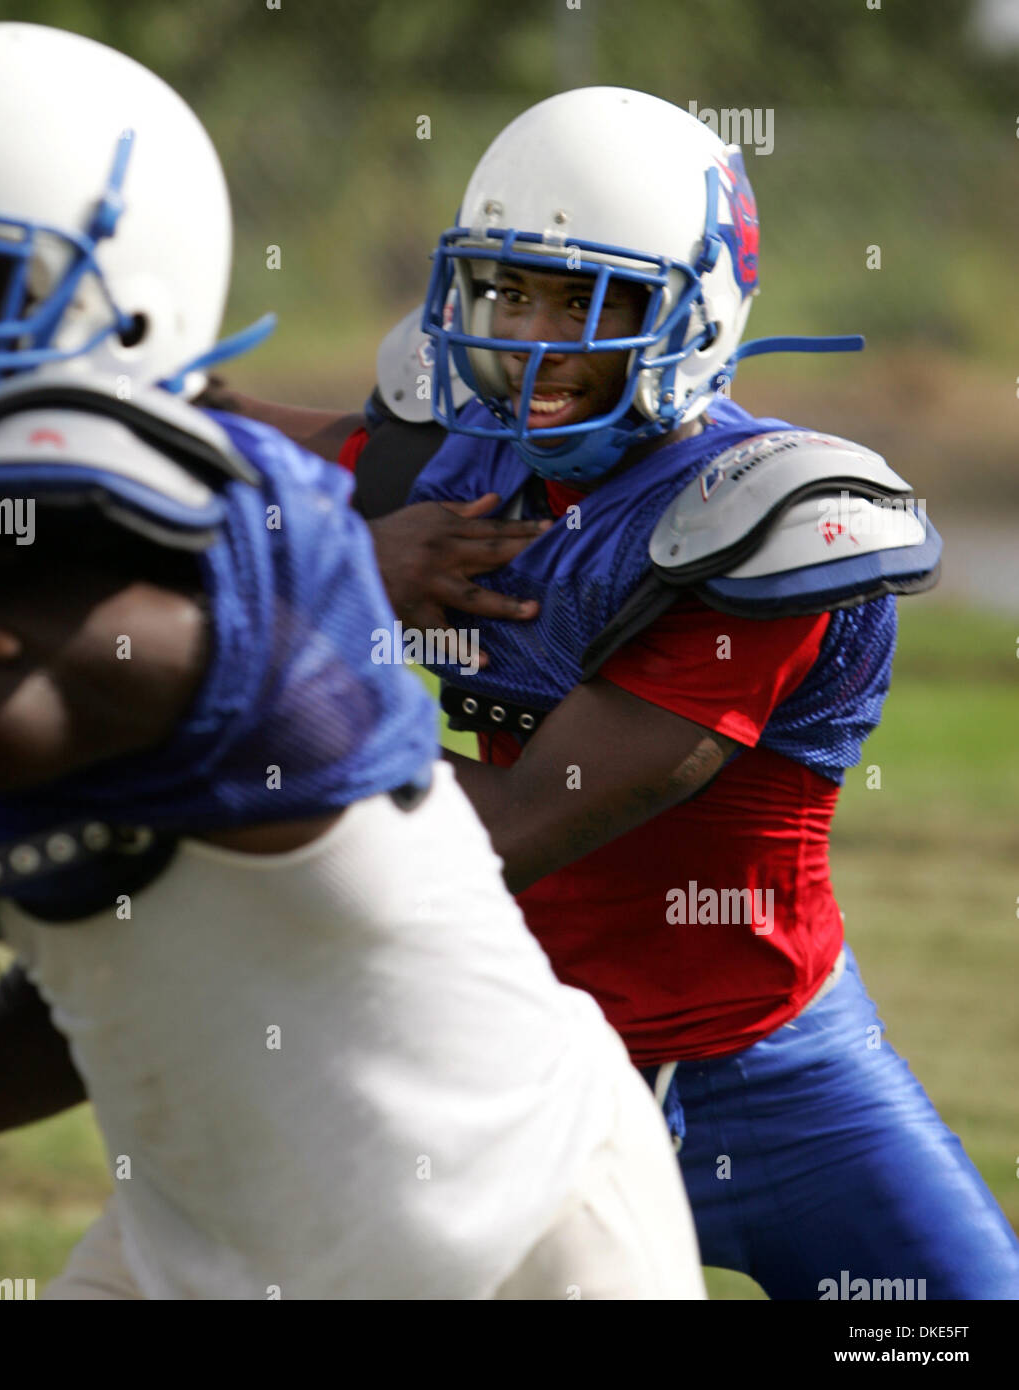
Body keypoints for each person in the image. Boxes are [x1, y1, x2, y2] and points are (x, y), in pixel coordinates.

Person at [0, 30, 703, 1300]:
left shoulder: (176, 595)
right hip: (213, 1245)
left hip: (513, 1249)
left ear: (128, 298)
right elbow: (115, 975)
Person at [368, 85, 1017, 1299]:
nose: (536, 337)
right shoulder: (454, 454)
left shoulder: (761, 522)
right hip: (511, 1057)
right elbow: (221, 469)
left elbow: (508, 828)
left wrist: (266, 681)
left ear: (691, 313)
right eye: (511, 291)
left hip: (772, 1068)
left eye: (585, 301)